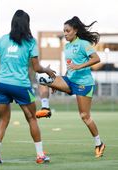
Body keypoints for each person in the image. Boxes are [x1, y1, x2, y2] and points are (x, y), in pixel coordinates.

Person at [0, 9, 55, 164]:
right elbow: (37, 68)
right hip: (20, 86)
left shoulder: (3, 39)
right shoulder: (30, 42)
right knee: (32, 119)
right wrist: (47, 70)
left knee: (3, 121)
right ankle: (40, 156)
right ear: (27, 24)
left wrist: (0, 68)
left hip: (1, 84)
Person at [38, 16, 105, 158]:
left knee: (85, 116)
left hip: (84, 83)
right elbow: (70, 67)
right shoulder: (67, 46)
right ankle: (45, 108)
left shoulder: (84, 43)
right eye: (64, 31)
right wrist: (59, 83)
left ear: (75, 30)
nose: (65, 33)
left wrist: (79, 66)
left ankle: (99, 143)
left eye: (67, 31)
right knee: (43, 79)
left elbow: (96, 59)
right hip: (70, 80)